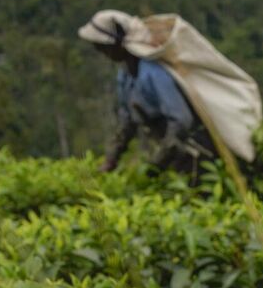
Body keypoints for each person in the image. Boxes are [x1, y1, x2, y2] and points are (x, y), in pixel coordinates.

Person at [81, 12, 214, 176]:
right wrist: (111, 159)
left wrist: (158, 163)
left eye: (103, 47)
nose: (101, 51)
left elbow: (180, 120)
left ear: (118, 44)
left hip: (195, 154)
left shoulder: (153, 72)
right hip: (172, 153)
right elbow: (127, 121)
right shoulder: (126, 75)